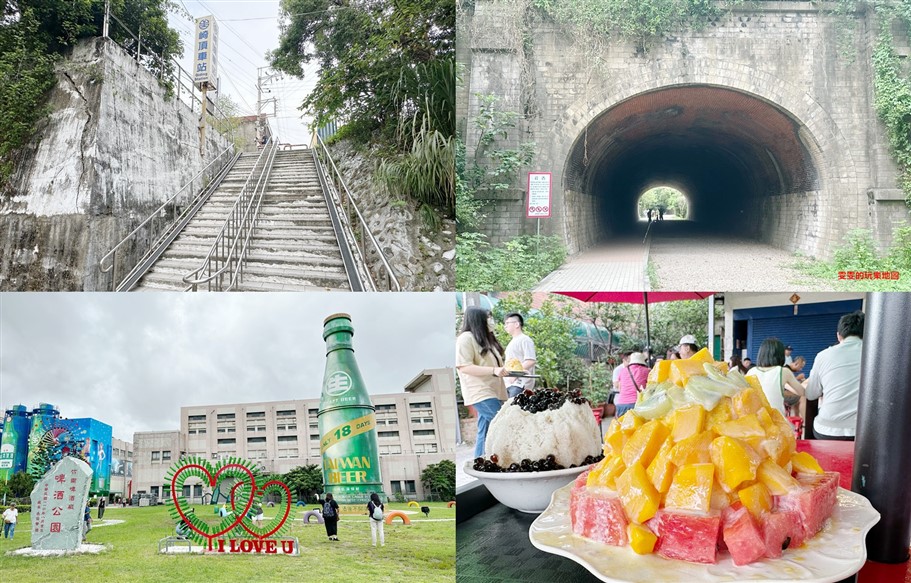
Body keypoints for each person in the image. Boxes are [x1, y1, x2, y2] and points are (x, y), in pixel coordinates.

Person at [456, 307, 508, 457]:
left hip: (496, 391)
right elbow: (464, 366)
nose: (491, 321)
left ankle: (479, 464)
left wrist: (503, 370)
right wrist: (494, 370)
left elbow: (494, 366)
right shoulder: (465, 338)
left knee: (484, 432)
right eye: (488, 318)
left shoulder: (487, 340)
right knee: (503, 422)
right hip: (480, 391)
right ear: (478, 320)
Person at [804, 311, 865, 440]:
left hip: (826, 430)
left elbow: (811, 394)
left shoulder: (823, 355)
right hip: (863, 433)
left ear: (839, 335)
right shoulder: (877, 354)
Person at [746, 338, 806, 417]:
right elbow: (802, 392)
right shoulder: (783, 371)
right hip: (776, 423)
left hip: (755, 421)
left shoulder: (751, 371)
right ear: (781, 355)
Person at [503, 312, 537, 399]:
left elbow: (530, 360)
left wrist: (515, 375)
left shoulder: (525, 340)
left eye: (507, 323)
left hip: (519, 384)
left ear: (517, 324)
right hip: (510, 383)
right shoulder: (513, 341)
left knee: (514, 410)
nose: (505, 326)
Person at [615, 352, 649, 418]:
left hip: (621, 405)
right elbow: (649, 388)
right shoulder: (646, 371)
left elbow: (620, 389)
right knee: (639, 427)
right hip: (637, 405)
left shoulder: (623, 370)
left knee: (624, 427)